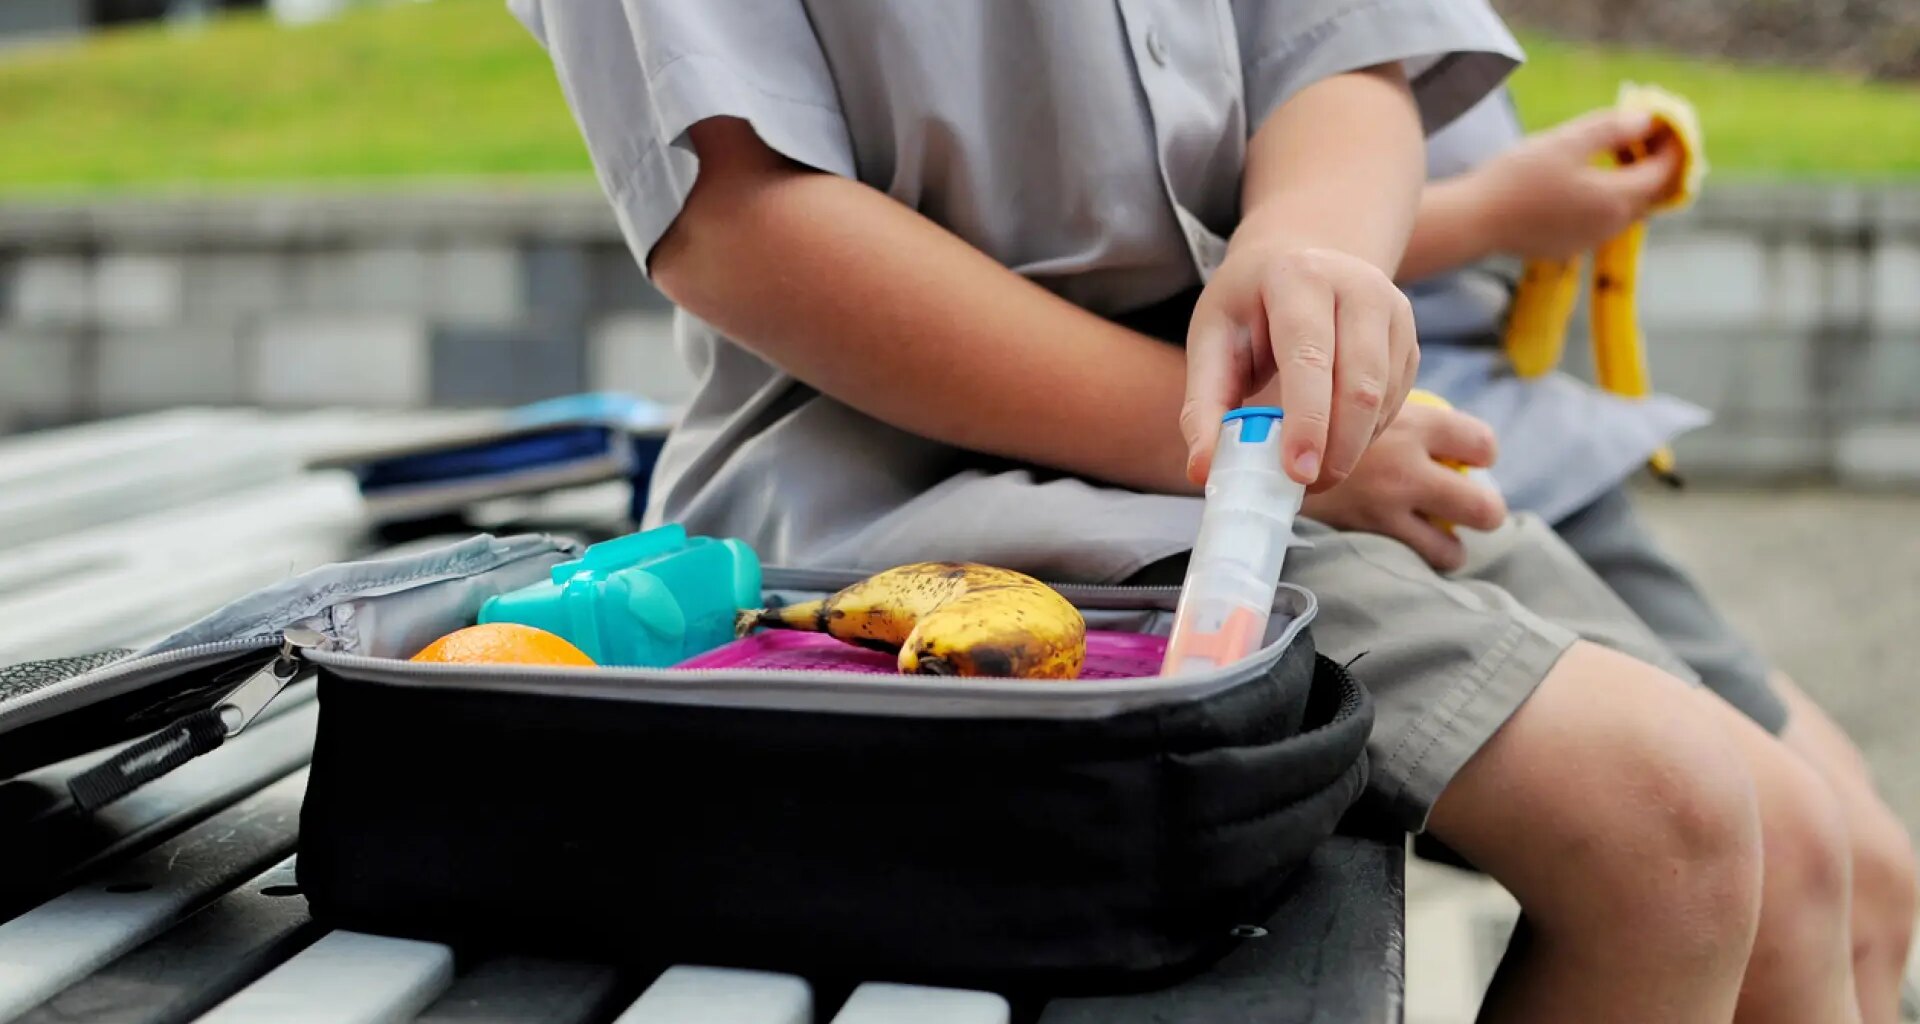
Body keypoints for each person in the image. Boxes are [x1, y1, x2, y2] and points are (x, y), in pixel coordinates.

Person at [515, 3, 1862, 1019]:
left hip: (1296, 439)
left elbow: (1346, 53)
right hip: (921, 492)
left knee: (1801, 857)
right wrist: (1233, 434)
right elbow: (741, 226)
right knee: (1665, 826)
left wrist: (1304, 264)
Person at [1400, 85, 1919, 1023]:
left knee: (1869, 881)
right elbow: (1184, 264)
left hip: (1520, 449)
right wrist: (1494, 213)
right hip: (1415, 470)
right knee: (1781, 874)